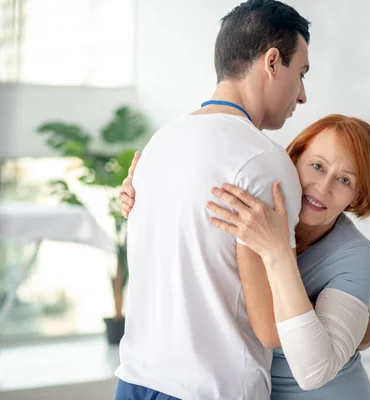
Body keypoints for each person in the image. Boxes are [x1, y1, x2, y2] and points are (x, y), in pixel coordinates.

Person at [114, 1, 313, 399]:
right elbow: (275, 325)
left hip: (135, 381)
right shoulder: (266, 163)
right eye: (301, 73)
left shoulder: (158, 145)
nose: (303, 95)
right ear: (272, 62)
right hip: (212, 390)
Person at [120, 115, 370, 399]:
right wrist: (141, 193)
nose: (323, 187)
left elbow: (314, 371)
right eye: (317, 166)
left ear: (357, 196)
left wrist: (278, 252)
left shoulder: (356, 255)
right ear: (294, 160)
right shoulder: (253, 210)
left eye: (344, 180)